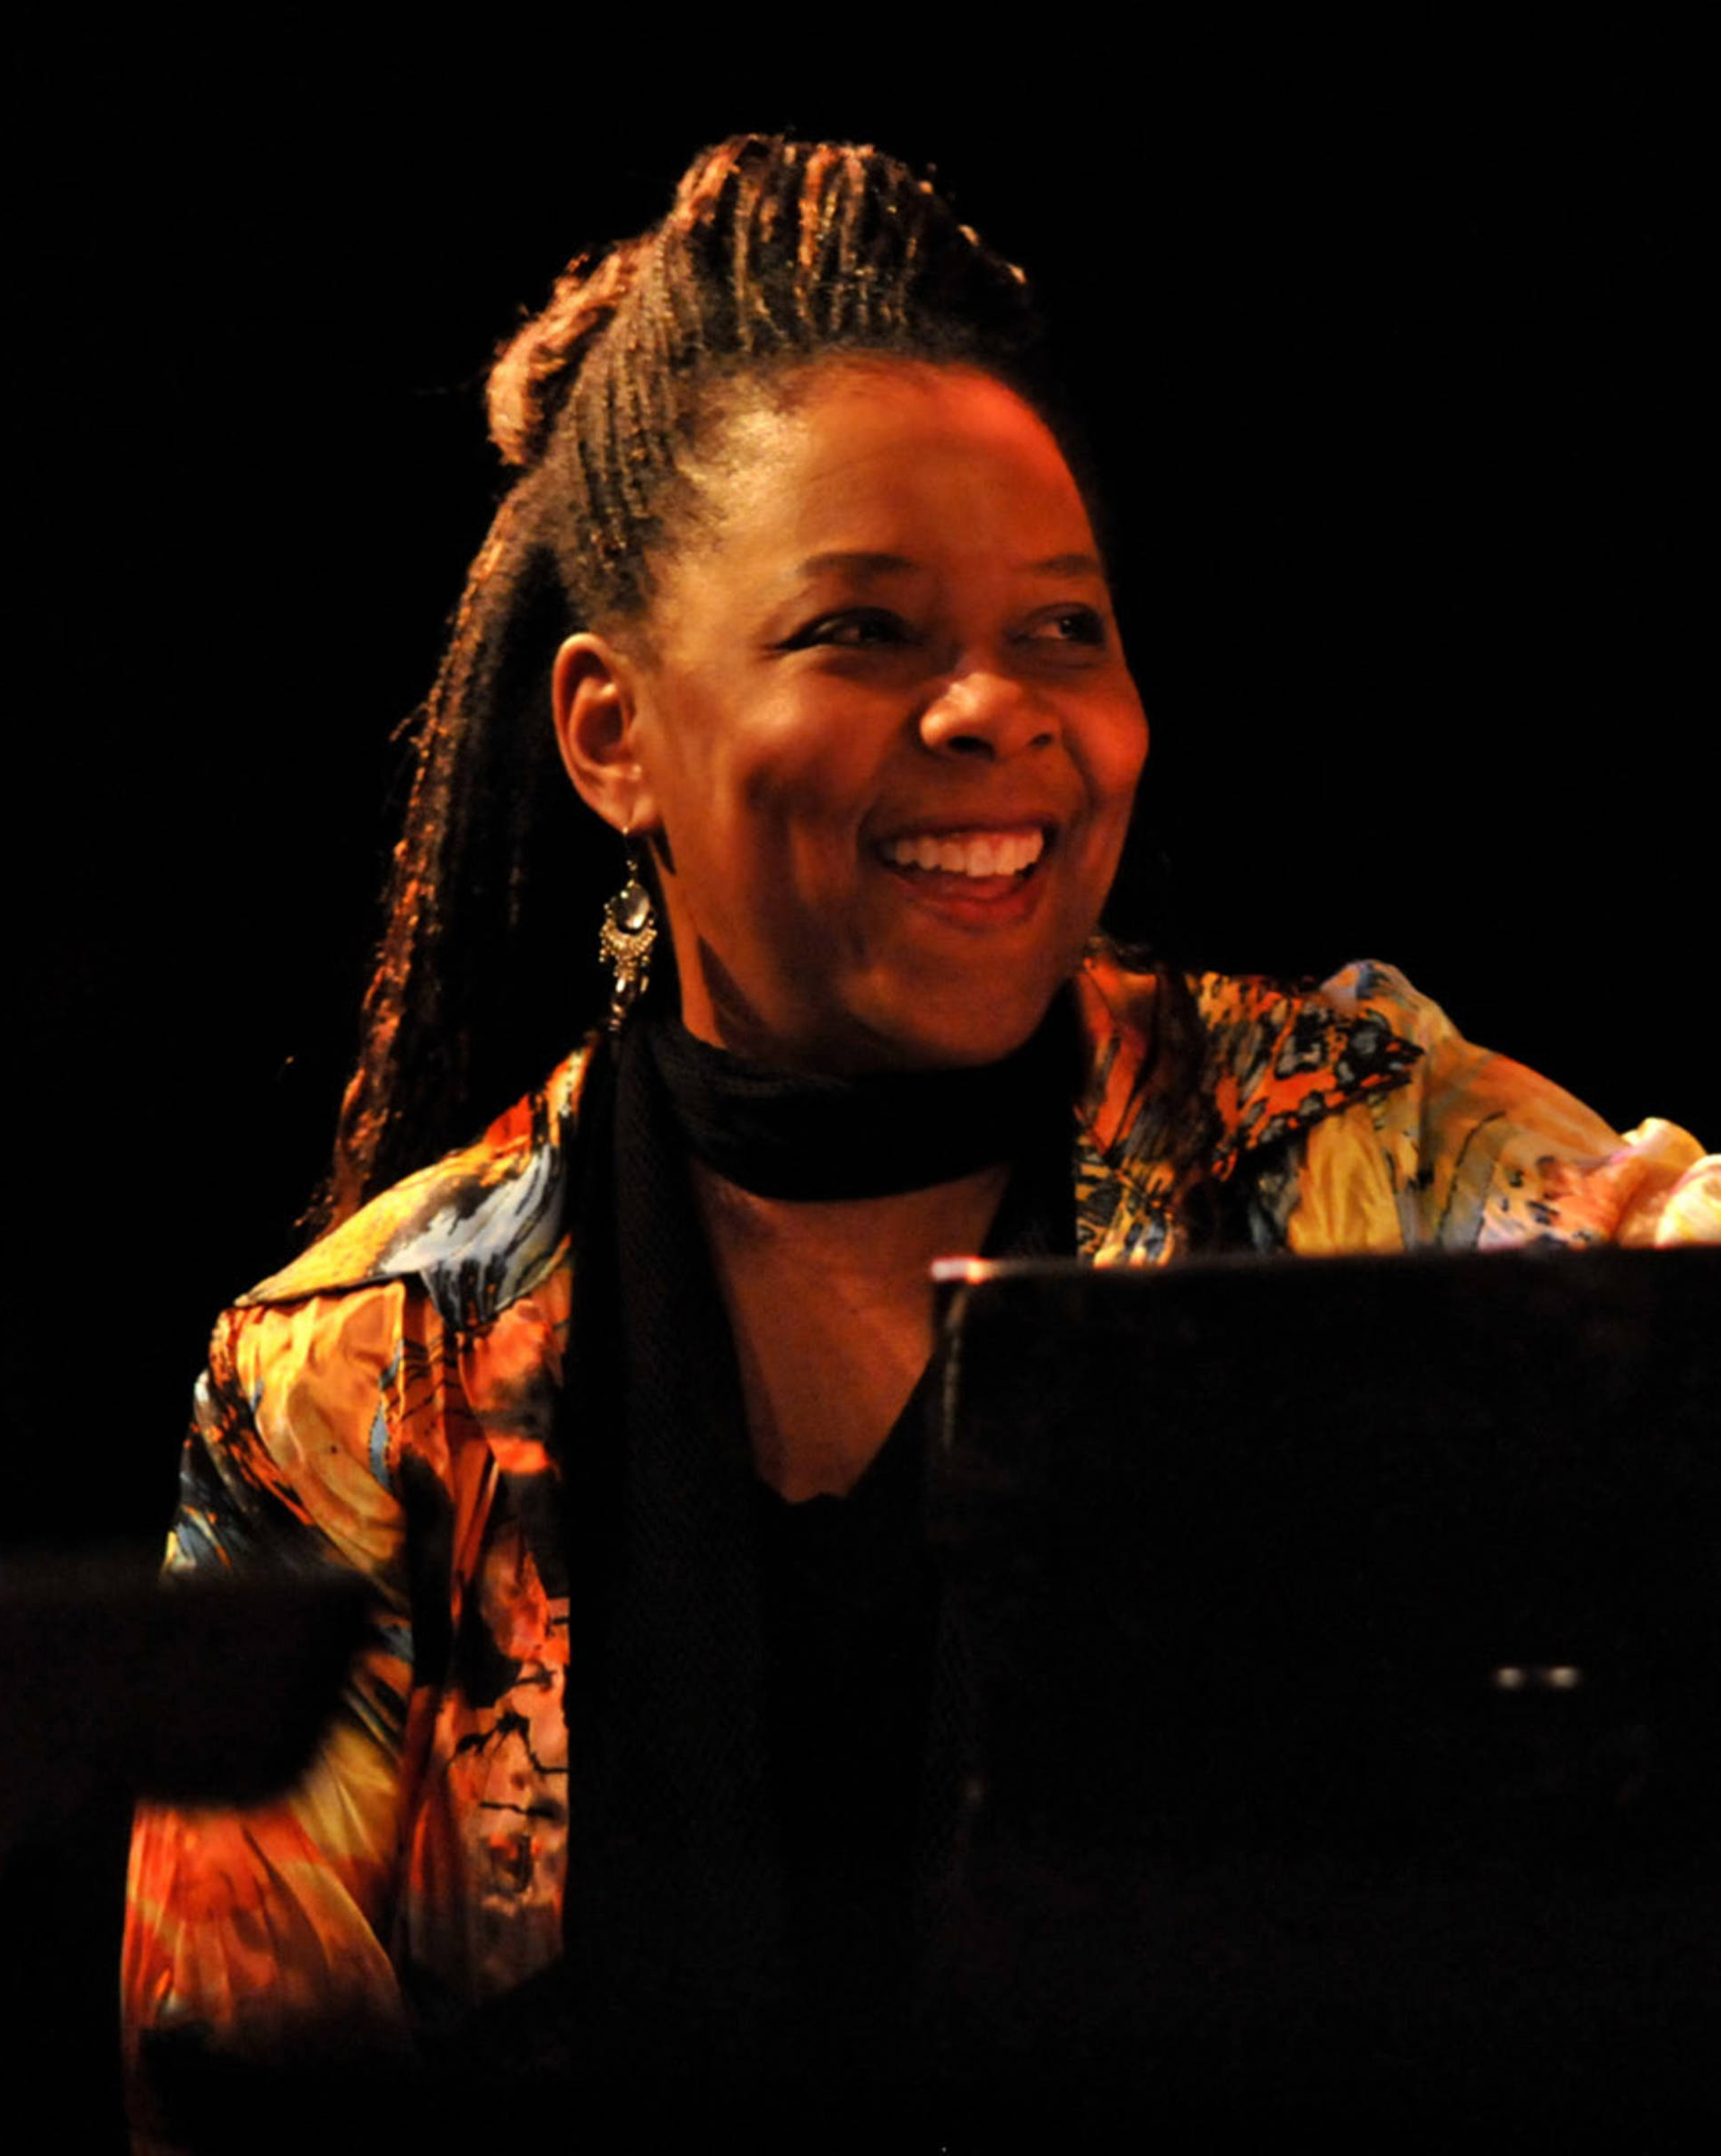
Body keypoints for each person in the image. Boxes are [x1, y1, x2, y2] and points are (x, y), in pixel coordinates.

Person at [121, 135, 1717, 2148]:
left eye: (1064, 630)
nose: (997, 710)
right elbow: (233, 2106)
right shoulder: (357, 1379)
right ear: (614, 734)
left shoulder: (1361, 1157)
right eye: (865, 633)